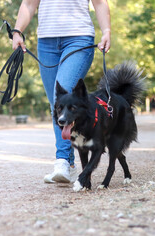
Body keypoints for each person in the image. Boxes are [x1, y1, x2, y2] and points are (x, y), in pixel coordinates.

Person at [12, 0, 111, 184]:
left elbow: (100, 3)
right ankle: (71, 167)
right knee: (56, 105)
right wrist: (18, 31)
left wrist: (106, 31)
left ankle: (62, 161)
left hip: (79, 38)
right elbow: (28, 4)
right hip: (46, 42)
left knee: (61, 91)